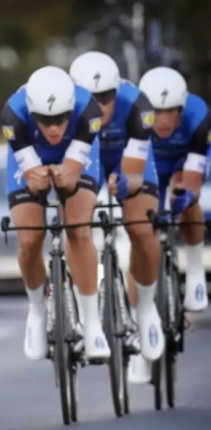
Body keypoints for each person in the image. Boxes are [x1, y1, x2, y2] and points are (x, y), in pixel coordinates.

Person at [1, 65, 111, 363]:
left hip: (76, 157)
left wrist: (67, 173)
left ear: (71, 111)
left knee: (78, 229)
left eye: (60, 119)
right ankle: (36, 311)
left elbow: (73, 172)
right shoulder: (13, 113)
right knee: (29, 239)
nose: (53, 128)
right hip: (29, 157)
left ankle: (91, 323)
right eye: (45, 121)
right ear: (32, 112)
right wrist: (36, 177)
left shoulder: (89, 110)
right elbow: (32, 174)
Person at [69, 51, 165, 383]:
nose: (100, 105)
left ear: (117, 90)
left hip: (129, 160)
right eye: (91, 98)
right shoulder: (67, 108)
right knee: (75, 228)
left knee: (140, 228)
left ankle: (146, 307)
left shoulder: (138, 106)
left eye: (106, 96)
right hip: (89, 160)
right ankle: (89, 315)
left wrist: (124, 184)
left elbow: (135, 174)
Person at [129, 67, 211, 382]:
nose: (163, 120)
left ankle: (194, 271)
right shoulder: (133, 116)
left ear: (182, 107)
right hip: (147, 166)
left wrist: (182, 196)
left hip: (182, 161)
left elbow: (192, 176)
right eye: (157, 113)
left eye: (170, 113)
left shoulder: (198, 115)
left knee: (186, 195)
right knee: (139, 237)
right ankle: (139, 333)